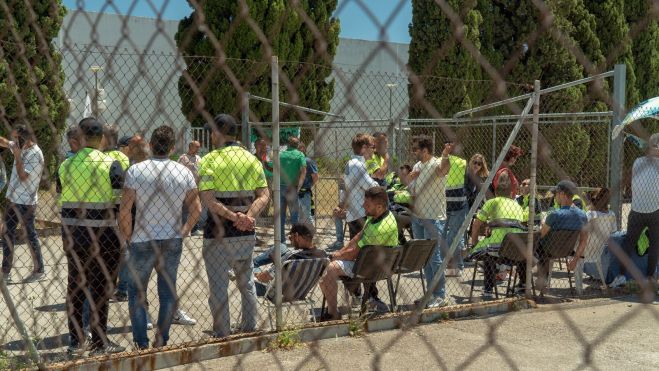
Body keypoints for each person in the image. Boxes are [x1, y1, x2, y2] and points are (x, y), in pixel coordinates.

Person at [119, 125, 201, 349]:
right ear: (173, 148)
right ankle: (161, 340)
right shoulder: (183, 172)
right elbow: (197, 209)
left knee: (136, 291)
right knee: (167, 291)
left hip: (142, 238)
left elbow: (125, 209)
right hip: (171, 238)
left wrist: (128, 235)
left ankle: (141, 343)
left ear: (151, 145)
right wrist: (184, 232)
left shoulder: (136, 170)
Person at [199, 114, 270, 338]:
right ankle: (249, 327)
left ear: (217, 133)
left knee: (219, 288)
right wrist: (247, 217)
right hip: (245, 234)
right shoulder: (251, 160)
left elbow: (209, 200)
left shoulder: (209, 160)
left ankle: (223, 332)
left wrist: (233, 216)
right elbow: (264, 195)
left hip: (217, 233)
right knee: (246, 283)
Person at [58, 117, 125, 355]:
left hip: (73, 234)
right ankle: (99, 342)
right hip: (103, 235)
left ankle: (75, 341)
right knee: (101, 288)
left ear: (82, 138)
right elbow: (120, 200)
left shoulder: (66, 165)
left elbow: (61, 193)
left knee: (75, 286)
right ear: (102, 139)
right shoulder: (112, 164)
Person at [319, 187, 398, 320]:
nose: (362, 206)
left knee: (329, 269)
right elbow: (358, 236)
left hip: (370, 268)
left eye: (367, 204)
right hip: (373, 261)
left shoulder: (380, 229)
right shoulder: (380, 215)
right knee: (330, 265)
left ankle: (333, 313)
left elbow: (353, 254)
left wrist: (335, 256)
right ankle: (361, 297)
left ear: (379, 207)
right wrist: (340, 252)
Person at [609, 133, 659, 289]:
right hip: (654, 210)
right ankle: (650, 278)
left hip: (637, 209)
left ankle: (621, 276)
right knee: (655, 245)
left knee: (629, 243)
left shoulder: (638, 162)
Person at [408, 136, 452, 308]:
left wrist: (446, 154)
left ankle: (440, 296)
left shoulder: (436, 163)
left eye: (416, 149)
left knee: (434, 258)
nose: (414, 152)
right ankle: (430, 293)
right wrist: (410, 178)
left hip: (433, 217)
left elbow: (444, 170)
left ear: (425, 150)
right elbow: (411, 190)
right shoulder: (418, 166)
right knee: (424, 258)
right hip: (418, 217)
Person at [467, 172, 525, 298]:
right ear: (511, 193)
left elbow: (476, 225)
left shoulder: (491, 202)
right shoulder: (517, 206)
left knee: (487, 254)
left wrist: (474, 243)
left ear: (496, 193)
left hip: (496, 250)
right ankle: (523, 284)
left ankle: (488, 289)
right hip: (515, 250)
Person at [0, 125, 45, 283]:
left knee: (29, 234)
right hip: (13, 199)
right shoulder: (19, 145)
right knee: (6, 232)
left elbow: (23, 176)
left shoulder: (35, 154)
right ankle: (6, 272)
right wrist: (10, 144)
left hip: (26, 202)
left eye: (16, 138)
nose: (13, 141)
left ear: (25, 139)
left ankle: (39, 270)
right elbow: (4, 142)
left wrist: (18, 156)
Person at [531, 180, 588, 293]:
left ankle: (527, 282)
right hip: (566, 251)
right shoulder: (582, 215)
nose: (555, 196)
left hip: (547, 251)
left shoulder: (555, 215)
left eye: (556, 193)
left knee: (532, 243)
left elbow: (541, 234)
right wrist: (575, 260)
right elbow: (583, 240)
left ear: (562, 194)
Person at [254, 223, 327, 296]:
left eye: (290, 238)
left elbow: (265, 278)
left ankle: (252, 265)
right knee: (281, 246)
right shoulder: (323, 255)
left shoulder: (292, 257)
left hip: (277, 293)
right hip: (301, 292)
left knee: (252, 266)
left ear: (297, 236)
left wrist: (257, 274)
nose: (291, 242)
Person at [443, 140, 472, 276]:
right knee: (450, 237)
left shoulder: (462, 162)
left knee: (452, 237)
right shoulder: (441, 161)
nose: (451, 146)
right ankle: (456, 265)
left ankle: (455, 265)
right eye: (449, 144)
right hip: (445, 205)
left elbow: (469, 182)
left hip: (458, 205)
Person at [279, 136, 307, 242]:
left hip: (280, 187)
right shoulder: (300, 155)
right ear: (298, 145)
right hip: (292, 187)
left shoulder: (280, 154)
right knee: (294, 216)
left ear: (288, 144)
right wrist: (299, 186)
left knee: (281, 216)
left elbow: (272, 168)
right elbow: (303, 171)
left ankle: (281, 240)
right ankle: (295, 240)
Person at [179, 141, 204, 235]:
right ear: (190, 147)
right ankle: (185, 229)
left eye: (199, 147)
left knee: (196, 208)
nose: (198, 149)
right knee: (185, 208)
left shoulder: (199, 158)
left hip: (197, 187)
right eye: (196, 147)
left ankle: (194, 229)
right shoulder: (183, 158)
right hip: (187, 188)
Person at [293, 142, 318, 227]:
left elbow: (315, 176)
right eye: (296, 148)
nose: (298, 150)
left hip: (304, 192)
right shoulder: (296, 161)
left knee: (307, 215)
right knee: (299, 216)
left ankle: (311, 233)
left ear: (303, 149)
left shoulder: (307, 161)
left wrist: (309, 185)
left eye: (300, 148)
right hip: (296, 192)